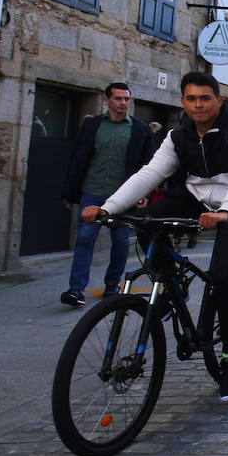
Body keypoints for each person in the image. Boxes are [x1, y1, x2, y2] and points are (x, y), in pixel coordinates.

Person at [82, 72, 228, 402]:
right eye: (191, 98)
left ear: (218, 101)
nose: (198, 105)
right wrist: (108, 207)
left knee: (223, 278)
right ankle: (169, 284)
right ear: (183, 101)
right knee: (146, 221)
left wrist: (226, 211)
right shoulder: (177, 135)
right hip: (197, 199)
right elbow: (150, 173)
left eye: (205, 98)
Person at [60, 83, 156, 307]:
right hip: (92, 191)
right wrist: (69, 193)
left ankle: (112, 287)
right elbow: (77, 159)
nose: (123, 103)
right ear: (107, 100)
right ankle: (76, 290)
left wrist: (144, 192)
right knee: (84, 239)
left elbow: (148, 166)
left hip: (122, 196)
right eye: (118, 98)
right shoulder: (92, 126)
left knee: (121, 242)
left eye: (126, 99)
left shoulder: (139, 130)